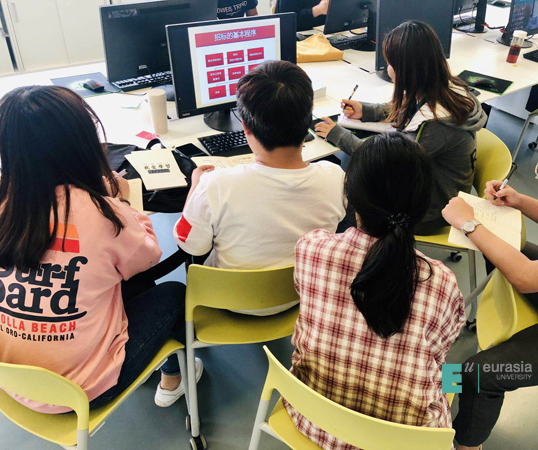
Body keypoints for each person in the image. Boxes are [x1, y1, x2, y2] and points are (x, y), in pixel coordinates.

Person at [0, 86, 197, 413]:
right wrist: (121, 202)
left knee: (110, 278)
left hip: (14, 383)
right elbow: (148, 256)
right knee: (173, 292)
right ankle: (174, 379)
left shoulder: (7, 204)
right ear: (81, 144)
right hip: (83, 390)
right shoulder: (101, 212)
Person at [285, 133, 465, 448]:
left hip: (312, 417)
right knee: (456, 372)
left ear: (350, 198)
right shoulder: (441, 281)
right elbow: (440, 353)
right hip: (403, 441)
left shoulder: (311, 247)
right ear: (422, 204)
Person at [441, 104, 538, 450]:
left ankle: (466, 444)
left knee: (475, 374)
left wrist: (469, 223)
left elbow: (527, 278)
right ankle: (444, 397)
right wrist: (519, 201)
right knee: (499, 245)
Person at [174, 60, 346, 315]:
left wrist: (195, 187)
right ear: (307, 120)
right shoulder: (336, 178)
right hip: (301, 296)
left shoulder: (215, 186)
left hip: (230, 302)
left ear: (245, 127)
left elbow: (190, 246)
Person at [314, 21, 487, 234]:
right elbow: (409, 105)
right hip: (434, 187)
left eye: (389, 63)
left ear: (407, 71)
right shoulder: (446, 87)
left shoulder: (435, 128)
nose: (387, 69)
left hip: (433, 211)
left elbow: (384, 161)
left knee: (346, 199)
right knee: (350, 167)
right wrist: (367, 110)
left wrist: (338, 135)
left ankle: (353, 246)